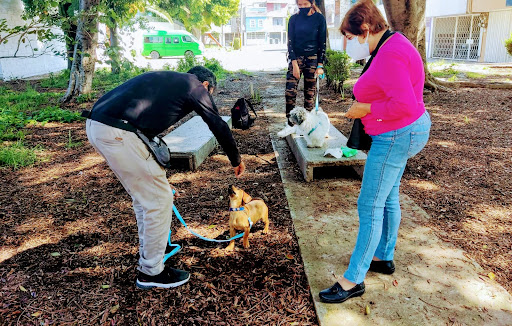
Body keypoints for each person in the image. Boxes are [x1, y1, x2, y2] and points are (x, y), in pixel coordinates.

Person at [84, 66, 246, 290]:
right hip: (119, 131)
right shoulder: (195, 86)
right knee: (158, 201)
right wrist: (236, 159)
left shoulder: (169, 80)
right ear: (206, 85)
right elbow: (216, 122)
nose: (207, 98)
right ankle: (151, 272)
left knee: (147, 198)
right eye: (211, 93)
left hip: (98, 125)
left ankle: (153, 251)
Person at [319, 0, 431, 303]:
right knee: (388, 195)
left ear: (366, 28)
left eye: (351, 37)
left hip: (397, 134)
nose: (349, 44)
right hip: (403, 130)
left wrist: (365, 107)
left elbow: (404, 105)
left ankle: (353, 279)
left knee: (369, 205)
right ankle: (383, 256)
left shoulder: (390, 53)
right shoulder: (392, 43)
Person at [284, 0, 326, 128]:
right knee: (290, 92)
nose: (302, 7)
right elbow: (290, 43)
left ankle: (307, 124)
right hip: (296, 58)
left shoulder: (319, 19)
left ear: (312, 3)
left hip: (313, 59)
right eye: (299, 5)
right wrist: (295, 64)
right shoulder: (293, 19)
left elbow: (322, 42)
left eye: (305, 4)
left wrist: (320, 65)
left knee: (310, 94)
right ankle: (290, 123)